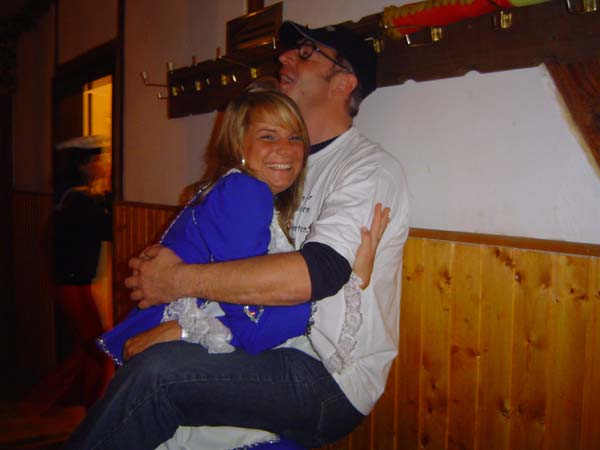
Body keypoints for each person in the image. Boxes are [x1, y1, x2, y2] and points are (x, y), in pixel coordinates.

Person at [64, 20, 409, 450]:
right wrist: (183, 323)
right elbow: (237, 272)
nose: (284, 56)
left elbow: (317, 274)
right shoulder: (279, 171)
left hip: (327, 377)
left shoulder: (367, 170)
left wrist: (178, 288)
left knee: (160, 376)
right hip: (273, 347)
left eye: (305, 53)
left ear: (344, 82)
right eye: (269, 136)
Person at [96, 88, 313, 367]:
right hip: (172, 362)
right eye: (268, 136)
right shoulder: (246, 191)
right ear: (238, 144)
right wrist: (314, 294)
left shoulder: (234, 188)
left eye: (295, 137)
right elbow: (254, 326)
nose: (286, 148)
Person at [20, 136, 113, 414]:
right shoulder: (79, 199)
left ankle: (71, 404)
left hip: (73, 281)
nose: (104, 164)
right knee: (95, 348)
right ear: (82, 165)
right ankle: (64, 404)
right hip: (74, 283)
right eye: (97, 160)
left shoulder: (74, 197)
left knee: (89, 348)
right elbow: (105, 229)